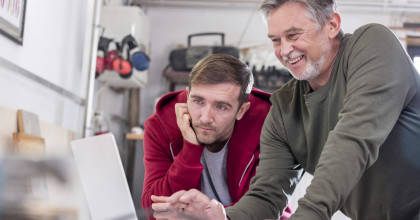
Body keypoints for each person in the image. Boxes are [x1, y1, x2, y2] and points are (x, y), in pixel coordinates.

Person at [151, 0, 420, 219]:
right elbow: (268, 195)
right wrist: (224, 216)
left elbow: (352, 139)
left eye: (293, 35)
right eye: (276, 40)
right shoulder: (283, 107)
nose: (284, 50)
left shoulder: (372, 44)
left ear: (331, 25)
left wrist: (310, 213)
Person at [142, 53, 292, 219]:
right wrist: (190, 149)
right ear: (187, 94)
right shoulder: (161, 125)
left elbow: (265, 207)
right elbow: (154, 210)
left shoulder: (270, 126)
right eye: (198, 101)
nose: (205, 118)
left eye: (221, 107)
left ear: (241, 110)